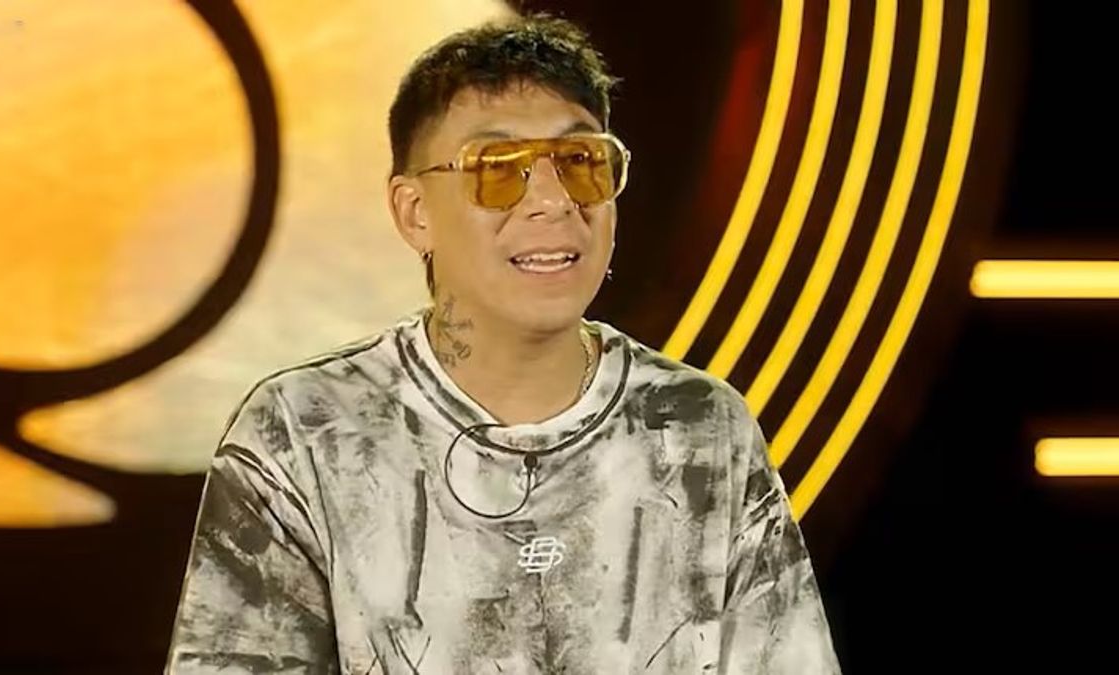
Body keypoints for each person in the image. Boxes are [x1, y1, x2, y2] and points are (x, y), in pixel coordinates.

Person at [166, 14, 840, 674]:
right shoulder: (306, 433)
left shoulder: (699, 429)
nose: (553, 201)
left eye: (580, 162)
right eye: (499, 168)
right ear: (414, 212)